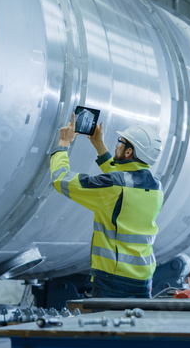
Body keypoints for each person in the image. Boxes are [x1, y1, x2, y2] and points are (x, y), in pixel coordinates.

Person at [50, 119, 163, 298]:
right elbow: (121, 179)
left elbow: (61, 179)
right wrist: (99, 146)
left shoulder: (114, 186)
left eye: (121, 142)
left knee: (108, 318)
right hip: (144, 277)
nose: (116, 146)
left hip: (113, 278)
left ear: (129, 151)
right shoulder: (156, 187)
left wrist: (63, 144)